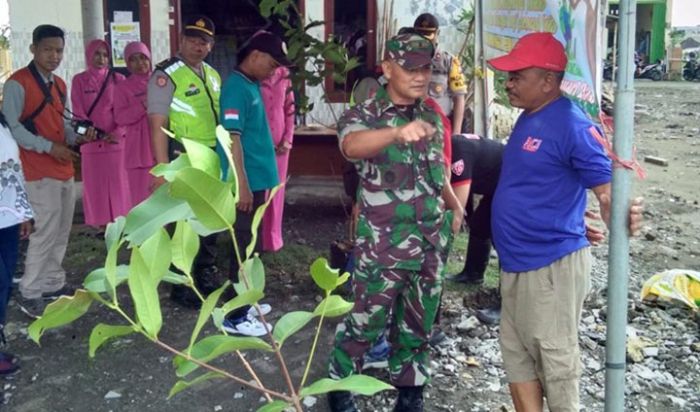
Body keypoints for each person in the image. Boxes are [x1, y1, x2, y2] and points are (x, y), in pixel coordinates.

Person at [487, 32, 643, 411]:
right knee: (518, 360)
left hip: (551, 268)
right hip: (516, 265)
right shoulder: (530, 116)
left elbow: (607, 189)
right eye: (508, 76)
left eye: (516, 76)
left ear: (548, 81)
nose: (508, 83)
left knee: (556, 369)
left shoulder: (573, 124)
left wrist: (621, 212)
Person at [327, 32, 457, 412]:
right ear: (387, 68)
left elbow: (438, 167)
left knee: (418, 324)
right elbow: (351, 147)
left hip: (430, 241)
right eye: (410, 68)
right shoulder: (362, 115)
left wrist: (453, 204)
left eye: (426, 68)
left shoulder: (432, 112)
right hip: (384, 244)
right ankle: (339, 385)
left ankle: (411, 391)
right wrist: (396, 132)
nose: (421, 76)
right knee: (366, 322)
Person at [2, 24, 90, 318]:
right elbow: (13, 129)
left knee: (62, 230)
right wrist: (49, 147)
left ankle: (52, 282)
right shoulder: (17, 83)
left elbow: (62, 124)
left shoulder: (59, 85)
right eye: (48, 49)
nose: (54, 56)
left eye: (59, 50)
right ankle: (30, 291)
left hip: (63, 167)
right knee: (45, 232)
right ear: (33, 49)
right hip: (37, 170)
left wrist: (74, 136)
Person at [147, 15, 223, 308]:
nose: (198, 45)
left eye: (204, 41)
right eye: (192, 39)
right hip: (182, 155)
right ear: (181, 41)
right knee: (183, 222)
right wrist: (162, 168)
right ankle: (181, 282)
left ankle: (204, 275)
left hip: (211, 157)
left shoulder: (213, 75)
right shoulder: (166, 75)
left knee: (208, 218)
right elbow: (156, 123)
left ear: (211, 45)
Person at [219, 31, 290, 336]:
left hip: (261, 178)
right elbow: (232, 139)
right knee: (243, 248)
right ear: (256, 55)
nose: (274, 71)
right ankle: (234, 317)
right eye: (272, 64)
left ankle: (246, 302)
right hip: (249, 182)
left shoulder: (250, 85)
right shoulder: (236, 88)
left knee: (253, 246)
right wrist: (242, 185)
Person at [71, 39, 129, 230]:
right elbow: (78, 112)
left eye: (105, 55)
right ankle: (102, 228)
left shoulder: (118, 80)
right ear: (89, 55)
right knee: (96, 189)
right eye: (97, 54)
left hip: (116, 145)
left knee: (119, 188)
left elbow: (125, 112)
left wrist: (118, 132)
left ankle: (121, 228)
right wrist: (90, 132)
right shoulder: (79, 80)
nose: (101, 59)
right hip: (91, 145)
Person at [0, 112, 33, 374]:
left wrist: (23, 212)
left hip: (8, 216)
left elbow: (14, 165)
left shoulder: (2, 121)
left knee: (4, 284)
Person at [114, 41, 155, 207]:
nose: (140, 63)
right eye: (134, 59)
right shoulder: (122, 88)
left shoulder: (160, 81)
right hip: (138, 149)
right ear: (127, 63)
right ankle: (144, 233)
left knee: (165, 199)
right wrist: (143, 105)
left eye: (143, 58)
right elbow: (120, 118)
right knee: (141, 199)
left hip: (160, 143)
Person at [413, 13, 468, 134]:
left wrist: (456, 133)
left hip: (440, 127)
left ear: (437, 34)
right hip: (412, 126)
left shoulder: (449, 61)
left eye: (429, 34)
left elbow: (459, 98)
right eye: (420, 34)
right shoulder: (405, 60)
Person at [260, 65, 295, 252]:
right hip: (259, 146)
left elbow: (290, 109)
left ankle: (273, 240)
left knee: (276, 192)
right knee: (259, 192)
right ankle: (256, 239)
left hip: (281, 147)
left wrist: (288, 139)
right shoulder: (255, 77)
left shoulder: (284, 75)